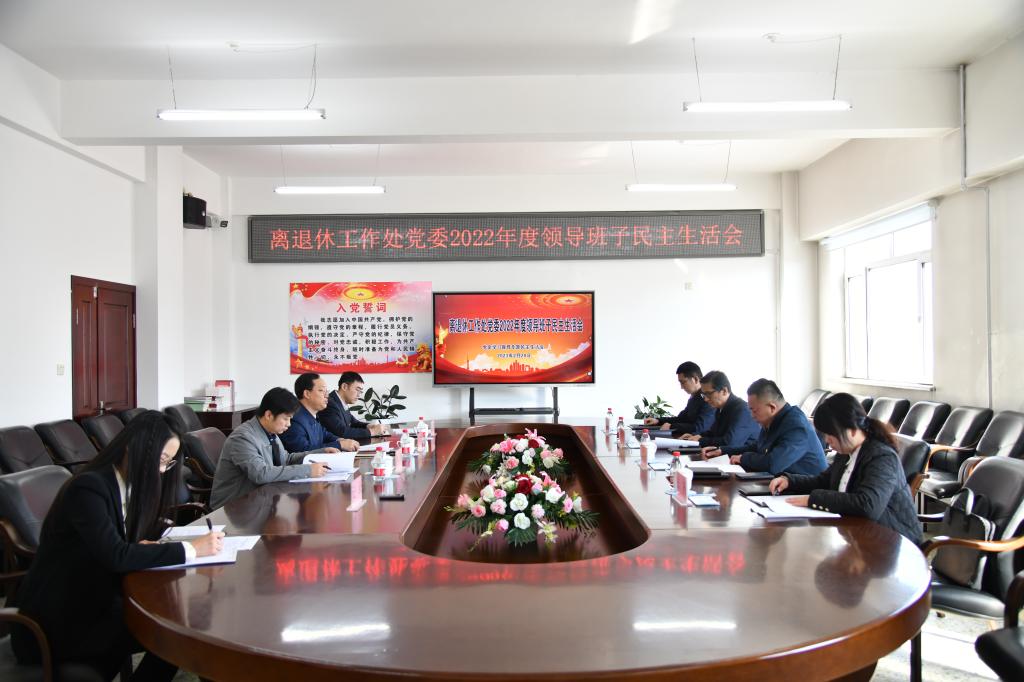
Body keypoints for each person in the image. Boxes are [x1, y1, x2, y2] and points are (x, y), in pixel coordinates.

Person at [11, 411, 224, 681]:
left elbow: (119, 544)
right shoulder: (89, 488)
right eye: (161, 460)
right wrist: (191, 549)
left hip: (96, 600)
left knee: (182, 630)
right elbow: (115, 555)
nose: (162, 471)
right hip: (60, 618)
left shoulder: (125, 486)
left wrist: (143, 545)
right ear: (133, 448)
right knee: (177, 636)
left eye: (168, 463)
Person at [768, 392, 922, 542]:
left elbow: (868, 505)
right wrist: (790, 481)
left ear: (852, 430)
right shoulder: (846, 451)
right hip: (858, 534)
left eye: (831, 434)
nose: (827, 440)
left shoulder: (882, 457)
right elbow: (825, 481)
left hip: (893, 540)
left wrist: (813, 499)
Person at [211, 387, 333, 509]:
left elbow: (286, 459)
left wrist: (321, 452)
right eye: (285, 418)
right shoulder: (242, 437)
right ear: (269, 415)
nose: (289, 424)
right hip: (233, 507)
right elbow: (261, 474)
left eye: (290, 419)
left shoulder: (269, 432)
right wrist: (308, 470)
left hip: (260, 499)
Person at [705, 379, 827, 476]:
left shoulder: (796, 427)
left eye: (754, 410)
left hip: (806, 491)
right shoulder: (773, 419)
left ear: (772, 407)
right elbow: (758, 447)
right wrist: (724, 451)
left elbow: (773, 464)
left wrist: (743, 458)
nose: (752, 416)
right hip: (781, 482)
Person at [680, 370, 760, 452]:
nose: (706, 399)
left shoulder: (742, 410)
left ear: (724, 391)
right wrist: (697, 436)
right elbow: (714, 433)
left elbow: (730, 442)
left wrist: (700, 440)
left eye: (709, 394)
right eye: (703, 395)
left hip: (742, 458)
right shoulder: (720, 407)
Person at [280, 372, 359, 454]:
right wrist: (339, 445)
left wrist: (340, 440)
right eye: (321, 391)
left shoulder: (311, 414)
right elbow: (302, 451)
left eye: (326, 391)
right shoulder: (294, 419)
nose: (327, 395)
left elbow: (324, 434)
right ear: (307, 394)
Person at [643, 361, 716, 435]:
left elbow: (699, 428)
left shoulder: (708, 399)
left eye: (683, 382)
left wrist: (672, 426)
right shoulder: (694, 398)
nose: (681, 387)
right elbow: (681, 419)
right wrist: (658, 421)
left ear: (696, 379)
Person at [318, 371, 388, 440]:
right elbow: (341, 432)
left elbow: (354, 422)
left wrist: (369, 426)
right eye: (357, 390)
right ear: (344, 387)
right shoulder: (329, 403)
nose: (359, 395)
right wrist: (372, 432)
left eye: (360, 391)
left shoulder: (340, 401)